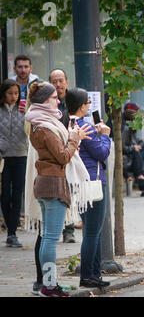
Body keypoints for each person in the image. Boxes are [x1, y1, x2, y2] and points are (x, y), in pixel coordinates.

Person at [25, 82, 93, 297]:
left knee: (47, 237)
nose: (58, 101)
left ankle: (49, 284)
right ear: (45, 101)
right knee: (50, 238)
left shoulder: (40, 122)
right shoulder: (44, 126)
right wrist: (74, 138)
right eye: (54, 98)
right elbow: (63, 156)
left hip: (46, 182)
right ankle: (49, 285)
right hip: (53, 184)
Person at [65, 87, 112, 288]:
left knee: (92, 231)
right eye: (87, 103)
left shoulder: (68, 123)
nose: (89, 106)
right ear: (83, 106)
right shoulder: (87, 127)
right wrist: (105, 135)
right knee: (93, 232)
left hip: (78, 182)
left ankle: (94, 273)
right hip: (92, 182)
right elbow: (102, 153)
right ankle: (88, 275)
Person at [49, 68, 77, 242]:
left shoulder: (73, 101)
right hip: (52, 152)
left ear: (67, 82)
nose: (58, 84)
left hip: (70, 151)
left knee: (70, 190)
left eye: (61, 81)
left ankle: (69, 230)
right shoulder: (47, 102)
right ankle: (54, 229)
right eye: (54, 81)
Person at [0, 79, 27, 247]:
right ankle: (10, 227)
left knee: (17, 195)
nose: (13, 97)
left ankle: (12, 232)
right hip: (3, 157)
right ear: (3, 94)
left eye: (16, 93)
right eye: (10, 93)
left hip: (21, 155)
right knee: (4, 194)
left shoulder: (24, 109)